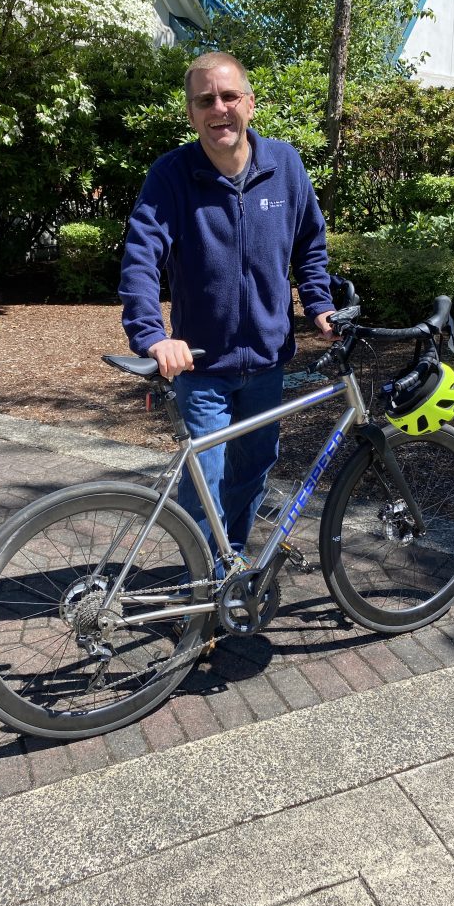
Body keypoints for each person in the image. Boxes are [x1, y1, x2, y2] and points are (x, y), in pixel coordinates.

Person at [118, 51, 334, 560]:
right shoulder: (171, 175)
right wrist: (153, 336)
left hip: (266, 361)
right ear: (192, 114)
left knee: (253, 471)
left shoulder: (286, 166)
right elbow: (140, 258)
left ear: (249, 104)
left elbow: (310, 243)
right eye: (205, 100)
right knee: (205, 482)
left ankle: (229, 569)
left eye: (229, 95)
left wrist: (319, 304)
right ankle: (200, 584)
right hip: (200, 363)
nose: (219, 108)